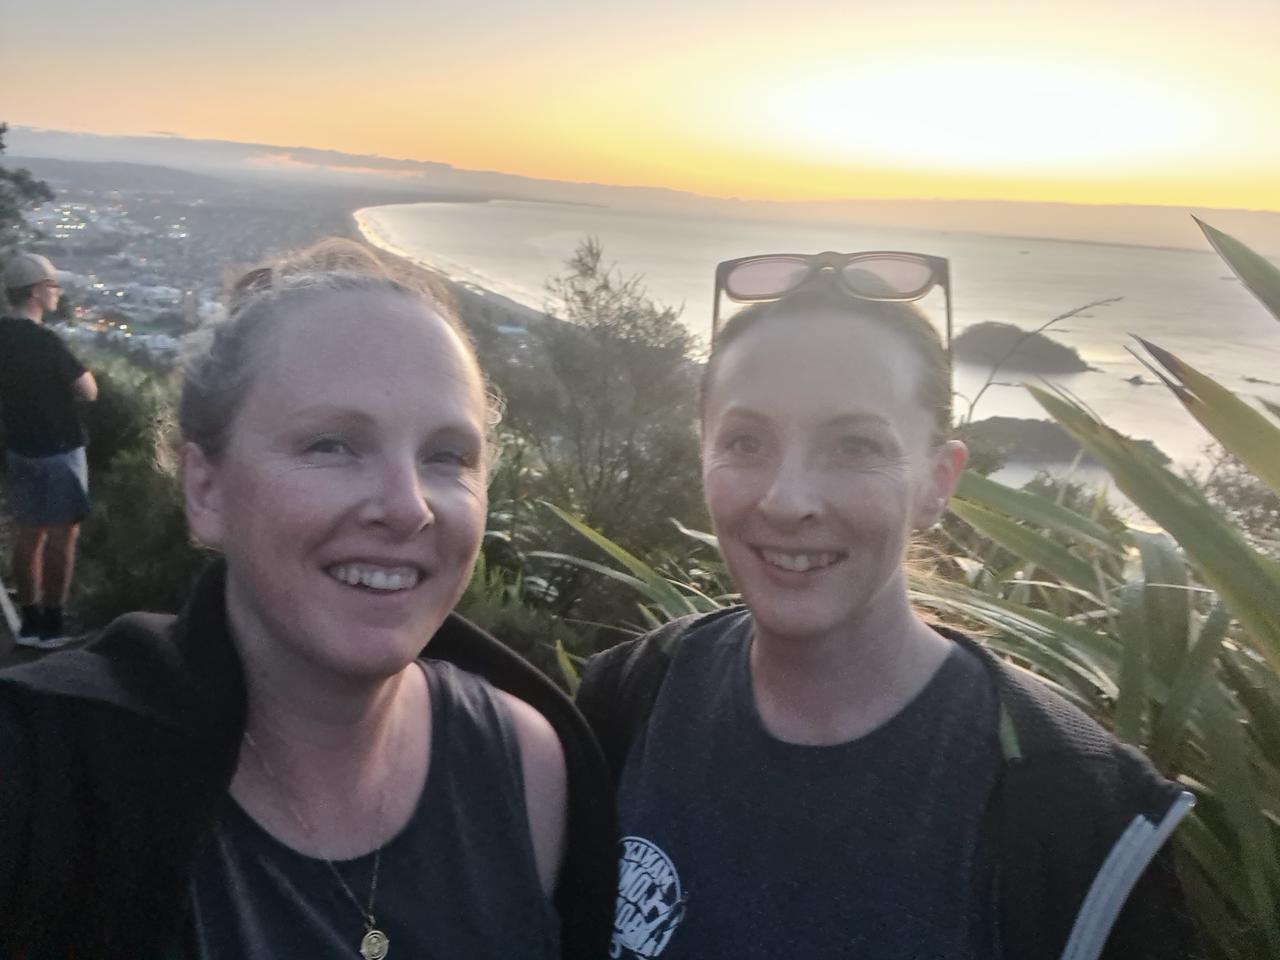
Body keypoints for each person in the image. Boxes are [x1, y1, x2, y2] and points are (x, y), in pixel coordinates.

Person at [0, 240, 615, 958]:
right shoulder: (48, 772)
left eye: (447, 455)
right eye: (332, 444)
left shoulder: (526, 767)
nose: (408, 506)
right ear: (206, 489)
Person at [577, 251, 1197, 960]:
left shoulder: (1074, 807)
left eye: (854, 446)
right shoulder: (631, 700)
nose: (787, 500)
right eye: (745, 442)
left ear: (938, 482)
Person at [0, 251, 97, 649]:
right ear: (36, 292)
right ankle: (53, 626)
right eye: (52, 286)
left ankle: (29, 623)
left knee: (29, 535)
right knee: (61, 537)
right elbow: (89, 391)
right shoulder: (46, 342)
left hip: (19, 449)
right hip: (59, 449)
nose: (57, 292)